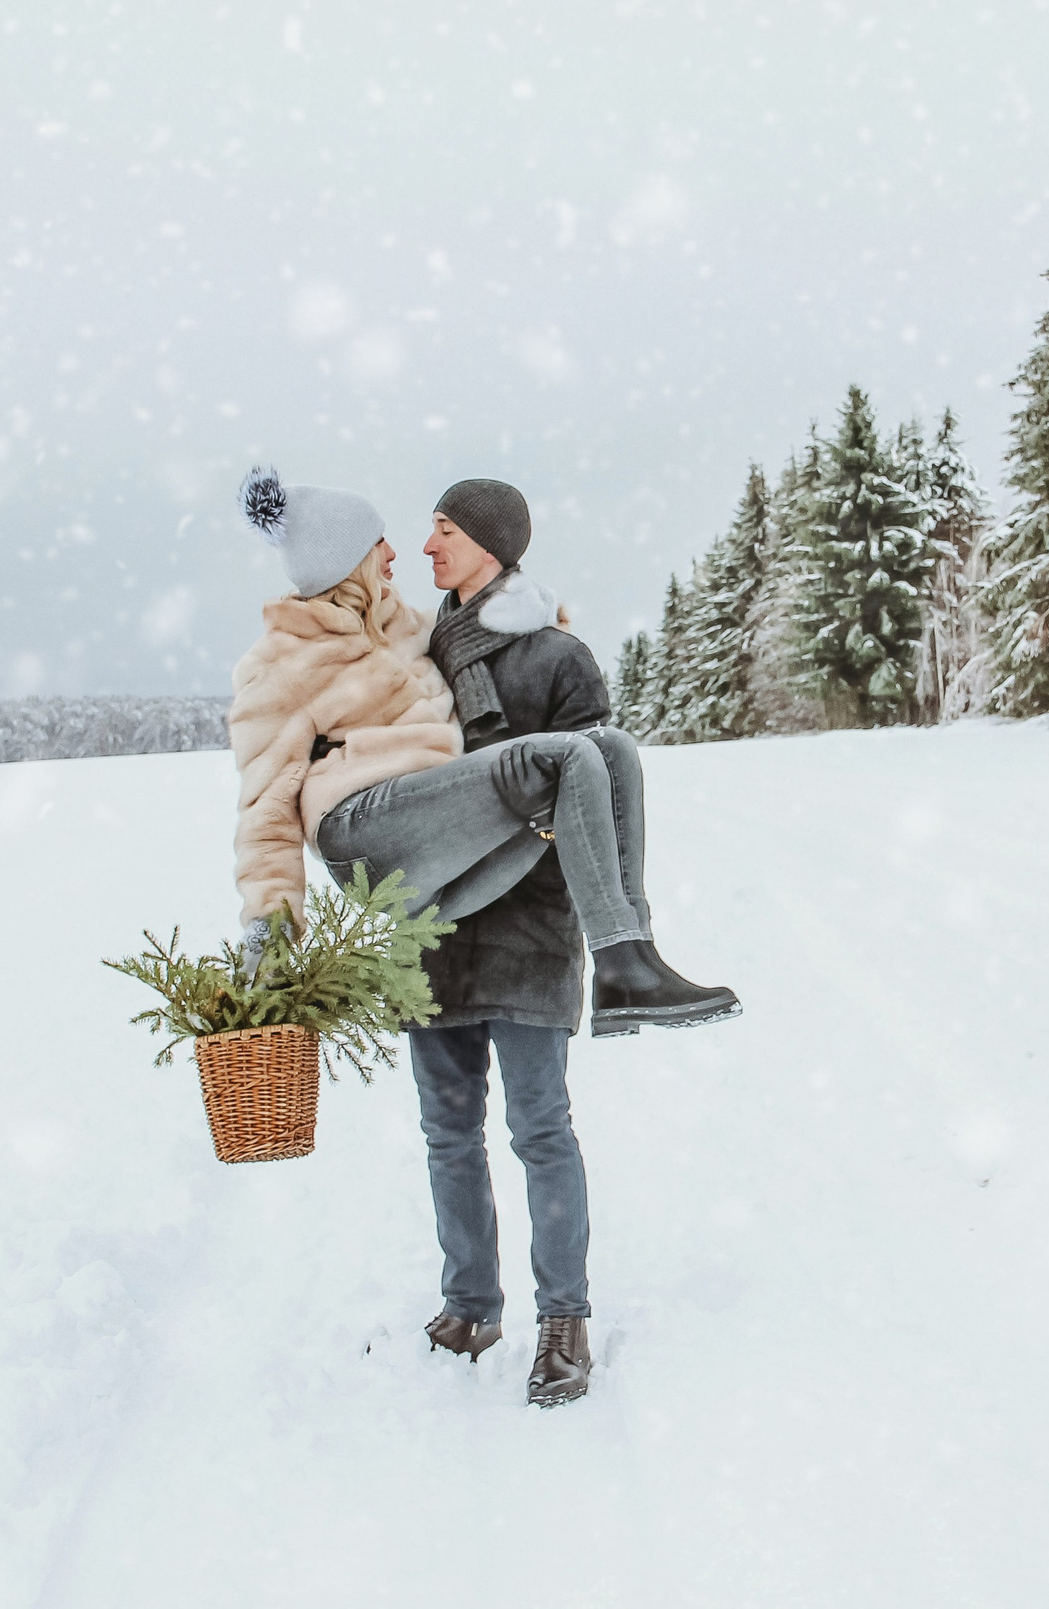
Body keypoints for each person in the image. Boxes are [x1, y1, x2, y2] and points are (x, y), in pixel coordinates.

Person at [228, 469, 735, 1407]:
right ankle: (470, 1304)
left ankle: (564, 1319)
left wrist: (553, 848)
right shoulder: (358, 650)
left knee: (540, 1127)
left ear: (491, 546)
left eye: (441, 532)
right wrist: (268, 928)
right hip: (428, 924)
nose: (412, 550)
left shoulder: (491, 648)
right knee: (449, 1131)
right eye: (394, 540)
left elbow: (587, 786)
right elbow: (266, 805)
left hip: (524, 919)